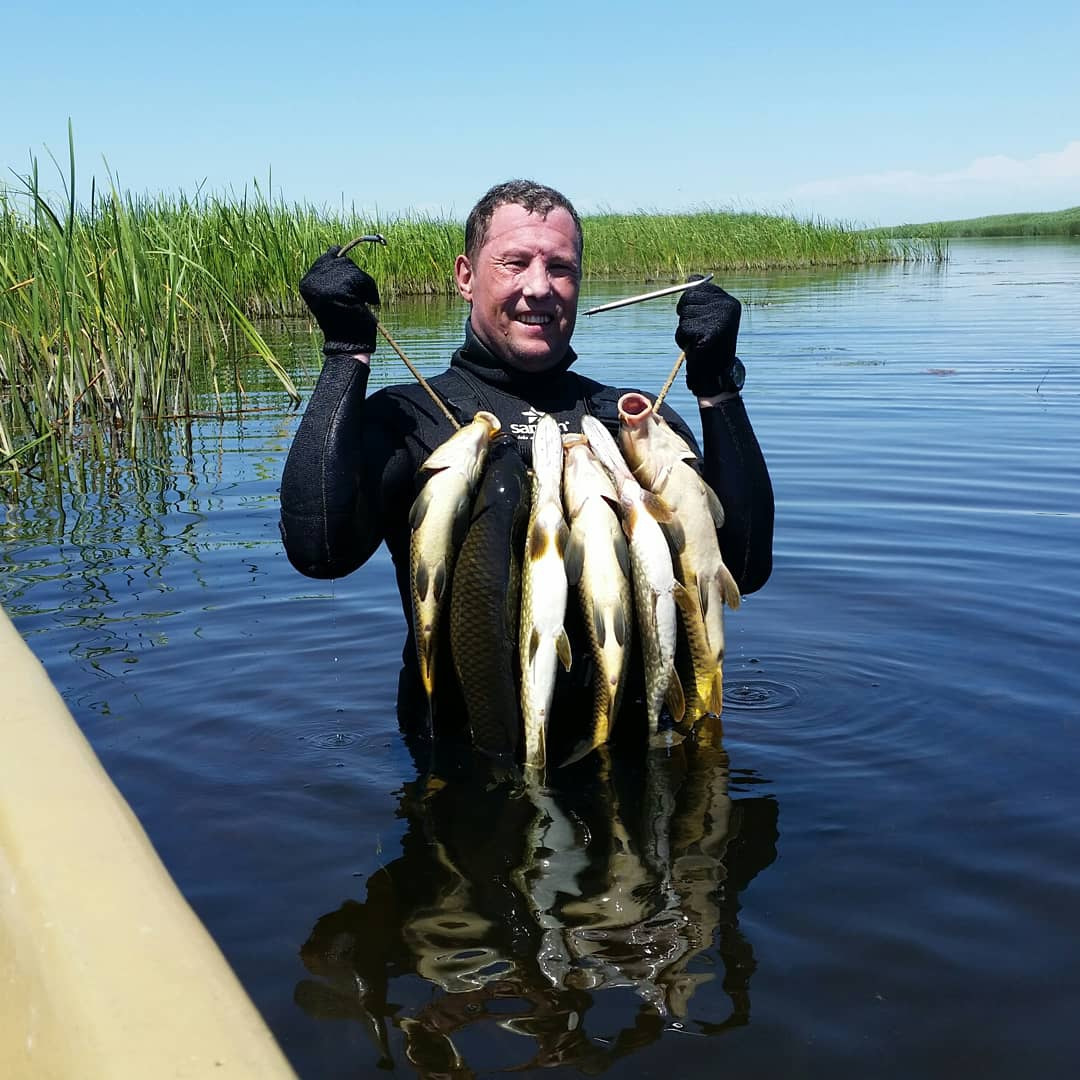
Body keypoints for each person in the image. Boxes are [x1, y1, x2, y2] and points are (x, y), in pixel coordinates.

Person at [280, 179, 773, 739]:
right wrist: (346, 354)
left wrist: (717, 389)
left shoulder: (632, 420)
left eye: (560, 267)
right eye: (514, 263)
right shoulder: (410, 418)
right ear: (466, 276)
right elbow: (320, 551)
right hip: (465, 767)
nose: (539, 287)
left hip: (632, 756)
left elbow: (746, 563)